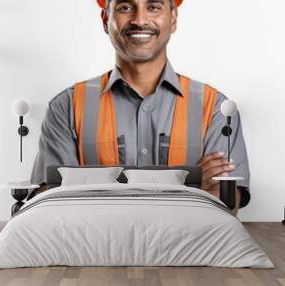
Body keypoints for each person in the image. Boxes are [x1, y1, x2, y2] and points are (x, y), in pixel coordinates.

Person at [30, 0, 251, 214]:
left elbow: (226, 205)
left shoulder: (215, 108)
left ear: (173, 19)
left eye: (153, 6)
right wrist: (189, 186)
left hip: (188, 250)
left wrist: (94, 188)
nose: (140, 19)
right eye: (125, 7)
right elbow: (52, 203)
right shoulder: (67, 106)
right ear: (105, 18)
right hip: (95, 251)